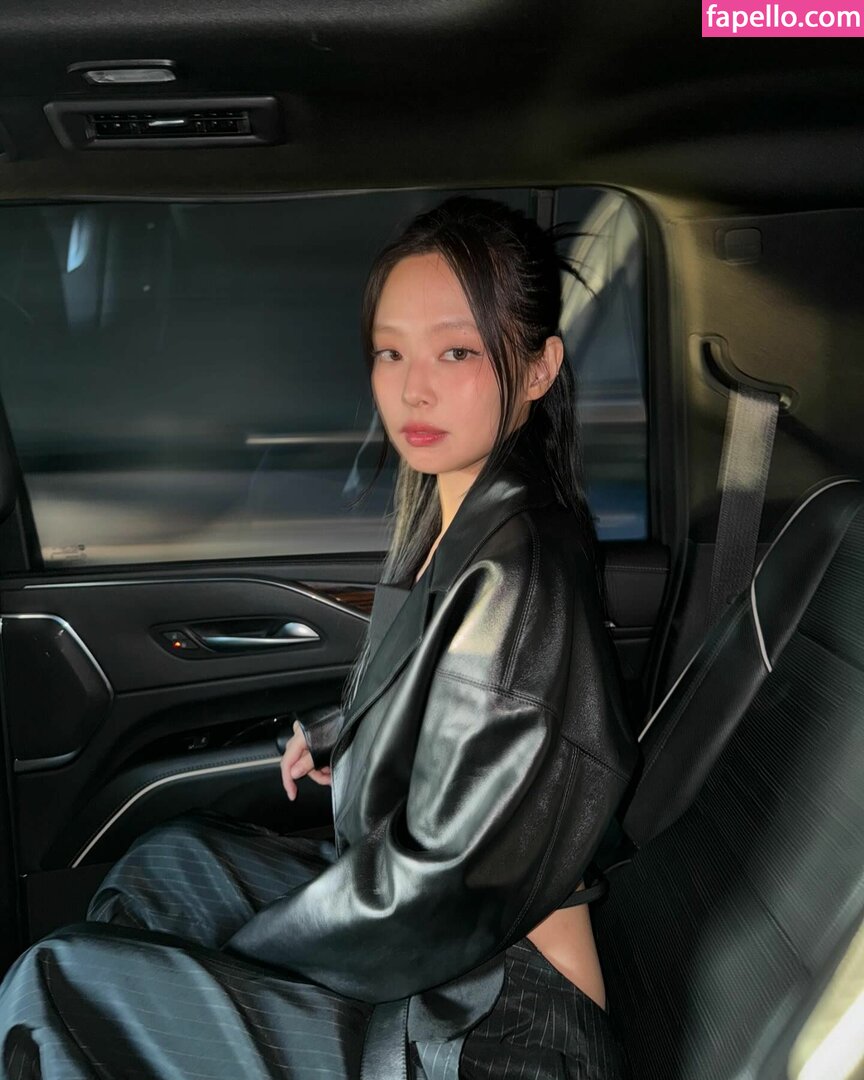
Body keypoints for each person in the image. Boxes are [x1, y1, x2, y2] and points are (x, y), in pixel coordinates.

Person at [0, 196, 638, 1079]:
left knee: (61, 987)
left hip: (497, 1020)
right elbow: (456, 693)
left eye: (456, 351)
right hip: (450, 951)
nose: (412, 388)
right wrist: (349, 736)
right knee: (167, 869)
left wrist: (235, 957)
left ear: (538, 368)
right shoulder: (463, 515)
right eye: (390, 352)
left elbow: (439, 887)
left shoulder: (522, 569)